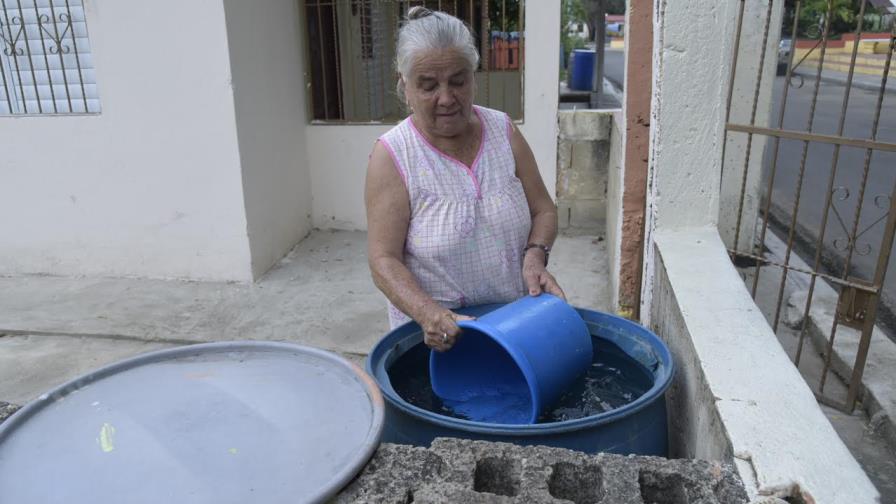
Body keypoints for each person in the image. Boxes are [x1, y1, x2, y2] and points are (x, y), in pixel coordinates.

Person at [365, 7, 563, 353]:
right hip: (437, 341)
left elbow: (543, 209)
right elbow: (383, 260)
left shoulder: (503, 131)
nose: (446, 98)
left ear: (474, 76)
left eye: (458, 81)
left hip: (514, 325)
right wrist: (429, 314)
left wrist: (535, 256)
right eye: (428, 86)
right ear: (405, 86)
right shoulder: (394, 155)